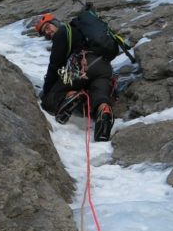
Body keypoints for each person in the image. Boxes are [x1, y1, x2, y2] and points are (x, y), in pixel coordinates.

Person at [33, 12, 114, 142]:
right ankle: (104, 111)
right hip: (104, 67)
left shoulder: (62, 33)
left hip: (83, 67)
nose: (48, 32)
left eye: (47, 27)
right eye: (45, 33)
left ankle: (70, 96)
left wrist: (47, 91)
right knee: (99, 95)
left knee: (48, 100)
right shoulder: (81, 30)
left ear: (55, 23)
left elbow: (55, 66)